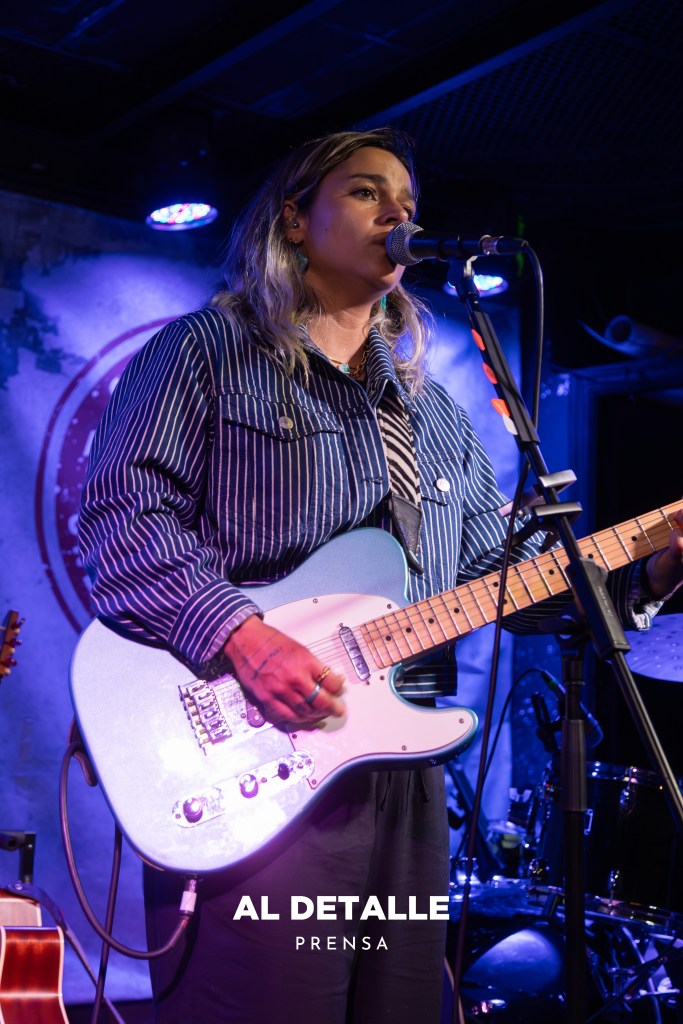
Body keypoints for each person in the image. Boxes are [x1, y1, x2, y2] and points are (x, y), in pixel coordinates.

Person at [78, 127, 683, 1024]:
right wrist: (242, 638)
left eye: (407, 201)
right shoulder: (205, 351)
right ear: (294, 220)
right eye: (366, 192)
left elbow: (499, 578)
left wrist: (650, 571)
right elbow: (122, 516)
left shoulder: (433, 411)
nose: (397, 212)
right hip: (257, 754)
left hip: (402, 772)